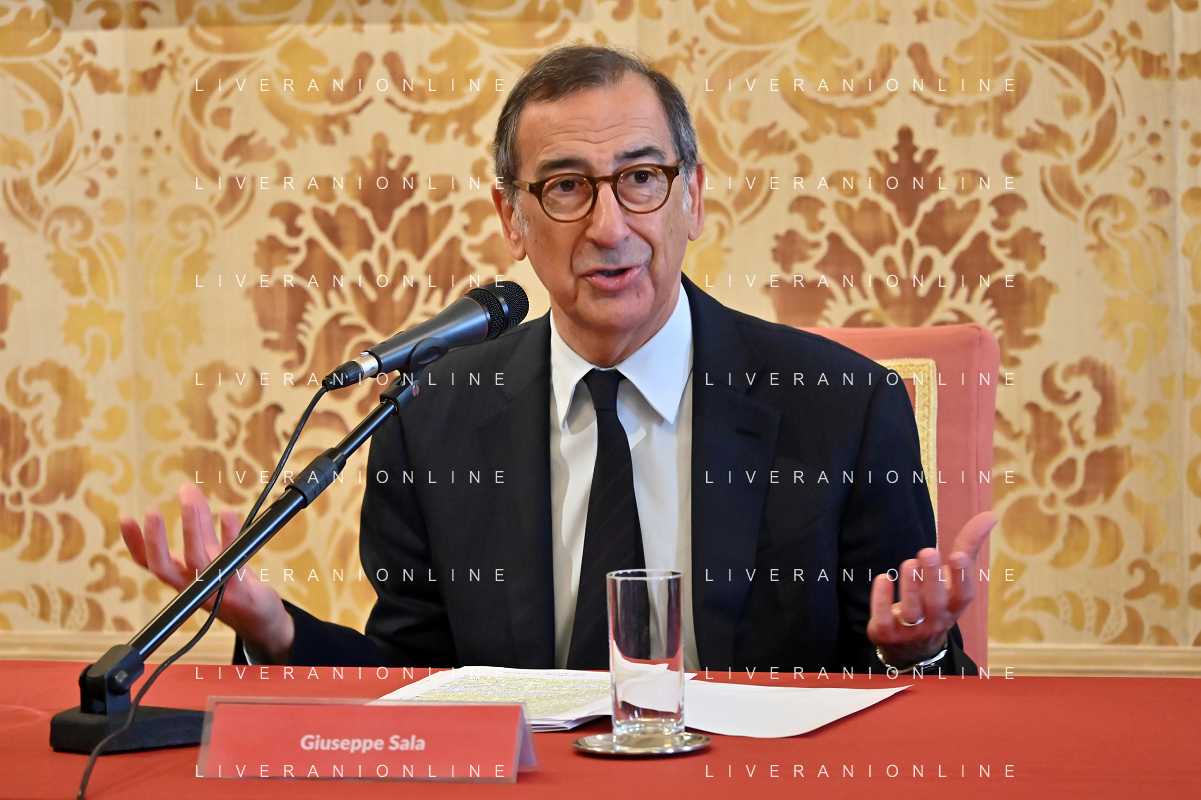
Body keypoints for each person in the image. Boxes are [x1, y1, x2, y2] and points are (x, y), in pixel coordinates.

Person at [120, 44, 995, 674]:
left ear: (691, 198)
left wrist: (914, 651)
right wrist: (273, 630)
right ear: (512, 218)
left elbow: (909, 684)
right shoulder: (429, 420)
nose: (609, 228)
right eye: (567, 186)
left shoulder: (840, 406)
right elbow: (417, 681)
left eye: (641, 178)